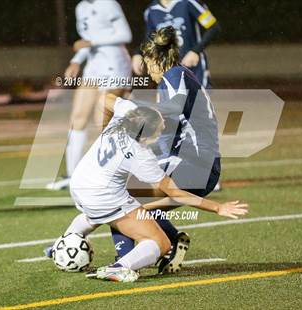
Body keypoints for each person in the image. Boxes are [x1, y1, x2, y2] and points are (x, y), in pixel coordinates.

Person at [60, 95, 248, 282]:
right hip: (101, 196)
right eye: (158, 130)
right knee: (160, 243)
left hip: (79, 183)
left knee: (122, 210)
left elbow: (102, 98)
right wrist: (218, 207)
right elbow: (176, 193)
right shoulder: (141, 155)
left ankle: (62, 244)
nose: (164, 125)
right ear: (146, 135)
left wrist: (104, 128)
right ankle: (119, 267)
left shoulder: (125, 113)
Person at [110, 26, 222, 273]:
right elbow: (172, 126)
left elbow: (175, 107)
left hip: (196, 164)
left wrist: (129, 106)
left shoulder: (175, 75)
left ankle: (127, 262)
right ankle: (169, 243)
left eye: (150, 64)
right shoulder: (174, 79)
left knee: (117, 196)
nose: (149, 71)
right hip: (197, 164)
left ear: (158, 59)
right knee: (136, 202)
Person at [47, 0, 132, 190]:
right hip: (94, 65)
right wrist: (76, 61)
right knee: (77, 117)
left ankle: (117, 175)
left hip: (114, 64)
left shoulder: (108, 4)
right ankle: (73, 176)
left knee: (103, 120)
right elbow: (87, 42)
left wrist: (92, 42)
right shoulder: (81, 7)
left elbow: (125, 34)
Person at [132, 0, 220, 88]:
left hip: (194, 67)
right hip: (168, 69)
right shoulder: (151, 11)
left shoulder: (189, 3)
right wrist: (138, 54)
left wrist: (195, 51)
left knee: (198, 99)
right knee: (171, 100)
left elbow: (213, 27)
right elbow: (149, 39)